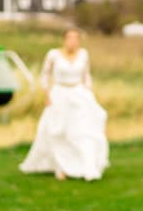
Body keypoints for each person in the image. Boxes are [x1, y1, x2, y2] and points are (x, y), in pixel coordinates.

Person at [20, 26, 109, 181]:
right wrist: (47, 95)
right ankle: (61, 166)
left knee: (82, 131)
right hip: (59, 94)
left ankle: (86, 166)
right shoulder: (53, 55)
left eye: (76, 38)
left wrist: (89, 93)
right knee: (58, 131)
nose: (72, 41)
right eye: (70, 38)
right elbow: (45, 76)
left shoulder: (83, 55)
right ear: (64, 39)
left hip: (78, 94)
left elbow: (86, 76)